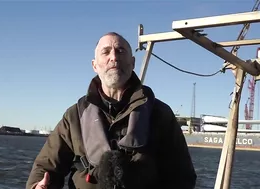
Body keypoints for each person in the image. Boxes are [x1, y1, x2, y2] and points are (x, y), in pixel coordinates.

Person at [26, 32, 197, 189]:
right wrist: (38, 186)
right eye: (106, 52)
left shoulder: (160, 114)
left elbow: (182, 175)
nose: (113, 57)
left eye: (120, 51)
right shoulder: (74, 116)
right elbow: (46, 167)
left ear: (133, 62)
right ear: (95, 65)